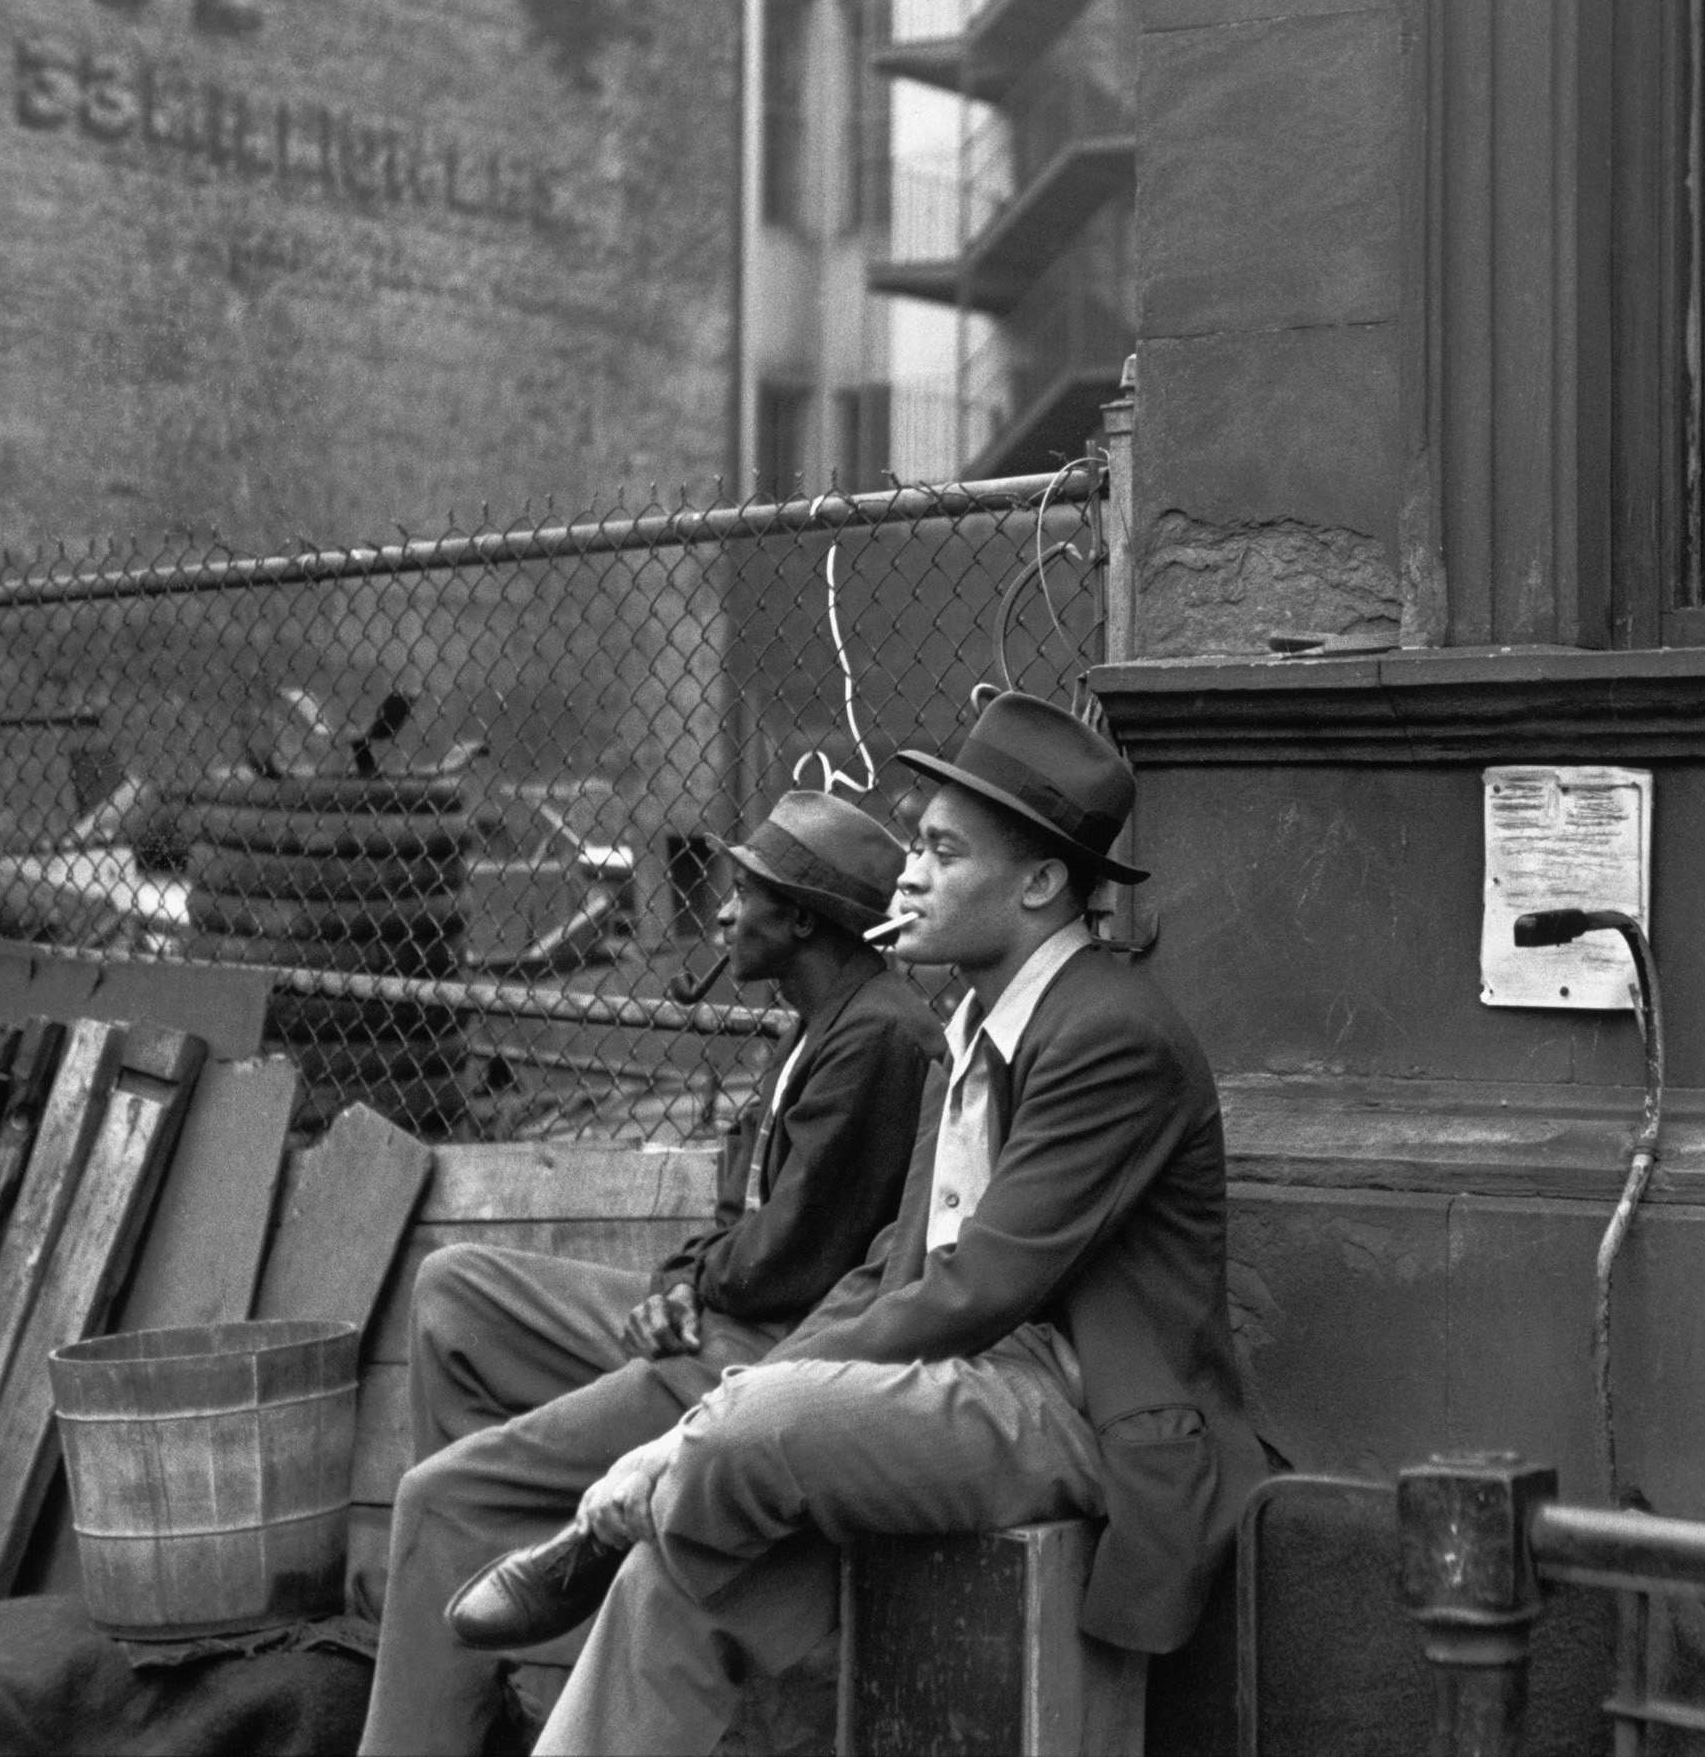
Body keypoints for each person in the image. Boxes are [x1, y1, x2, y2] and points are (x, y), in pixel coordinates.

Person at [430, 693, 1265, 1757]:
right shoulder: (969, 1021)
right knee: (672, 1576)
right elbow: (893, 1266)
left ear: (1042, 884)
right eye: (915, 844)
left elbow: (983, 1290)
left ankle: (620, 1503)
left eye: (942, 851)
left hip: (1077, 1407)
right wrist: (753, 1385)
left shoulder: (1111, 1034)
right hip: (965, 1387)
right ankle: (637, 1516)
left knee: (750, 1433)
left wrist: (734, 1413)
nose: (906, 874)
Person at [356, 789, 940, 1755]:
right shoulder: (811, 1022)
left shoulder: (879, 1036)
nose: (719, 910)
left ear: (799, 919)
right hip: (717, 1312)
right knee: (455, 1289)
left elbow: (792, 1262)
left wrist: (695, 1290)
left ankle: (453, 1644)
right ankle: (500, 1636)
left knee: (436, 1496)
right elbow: (730, 1211)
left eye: (744, 891)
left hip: (763, 1356)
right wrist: (675, 1280)